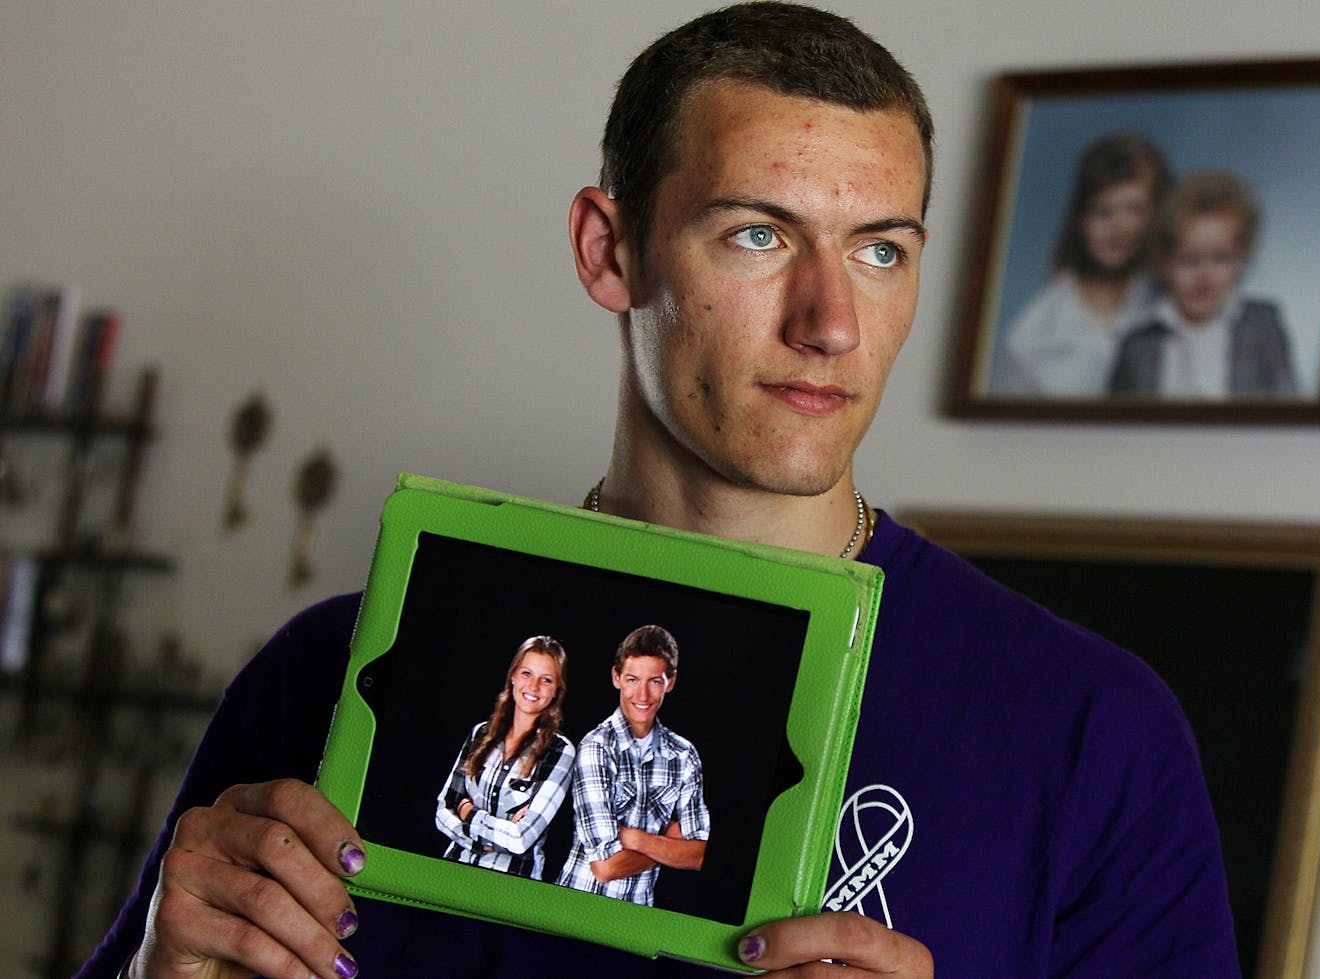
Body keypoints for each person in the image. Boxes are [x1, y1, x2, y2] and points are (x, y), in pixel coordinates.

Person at [79, 5, 1240, 978]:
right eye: (756, 235)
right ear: (609, 251)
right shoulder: (334, 674)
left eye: (879, 250)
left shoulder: (1089, 731)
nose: (830, 322)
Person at [993, 132, 1172, 396]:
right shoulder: (1032, 333)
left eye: (1134, 209)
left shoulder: (1175, 305)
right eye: (1103, 211)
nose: (1119, 227)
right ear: (1080, 219)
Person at [1110, 169, 1299, 399]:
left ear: (1241, 259)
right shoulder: (1137, 346)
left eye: (1220, 258)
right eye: (1189, 261)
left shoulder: (1262, 326)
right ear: (1164, 263)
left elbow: (1288, 408)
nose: (1205, 276)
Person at [557, 625, 708, 905]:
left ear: (670, 682)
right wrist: (667, 840)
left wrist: (635, 839)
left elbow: (698, 854)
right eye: (632, 680)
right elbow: (605, 868)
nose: (642, 695)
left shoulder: (684, 755)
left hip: (638, 916)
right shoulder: (596, 747)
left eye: (654, 681)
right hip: (575, 904)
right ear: (616, 678)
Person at [434, 635, 576, 881]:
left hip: (510, 886)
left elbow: (521, 839)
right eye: (526, 674)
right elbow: (443, 809)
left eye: (546, 680)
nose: (533, 687)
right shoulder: (481, 733)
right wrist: (490, 834)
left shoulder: (560, 752)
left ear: (556, 691)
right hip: (452, 871)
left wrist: (468, 813)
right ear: (512, 676)